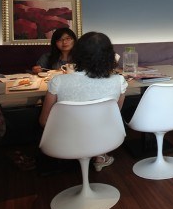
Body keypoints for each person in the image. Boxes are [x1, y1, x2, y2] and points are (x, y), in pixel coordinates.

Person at [39, 31, 127, 171]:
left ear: (78, 53)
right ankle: (99, 156)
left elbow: (44, 121)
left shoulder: (58, 81)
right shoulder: (119, 81)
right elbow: (114, 116)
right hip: (107, 139)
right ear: (110, 55)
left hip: (64, 142)